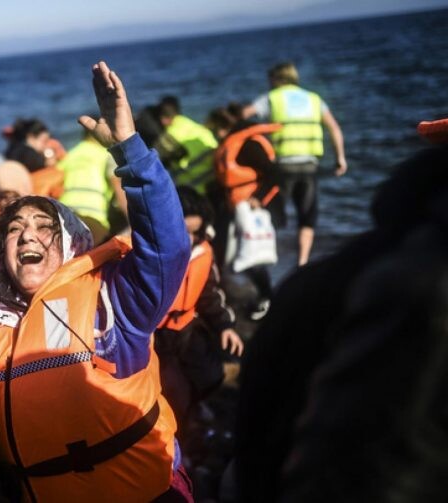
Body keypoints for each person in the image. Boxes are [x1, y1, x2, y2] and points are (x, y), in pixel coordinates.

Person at [0, 61, 193, 501]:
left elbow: (168, 248)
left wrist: (129, 148)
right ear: (0, 253)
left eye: (43, 225)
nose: (26, 233)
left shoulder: (113, 300)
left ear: (67, 243)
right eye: (12, 228)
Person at [234, 127, 448, 502]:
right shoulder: (418, 285)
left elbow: (255, 431)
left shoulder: (316, 285)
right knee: (306, 221)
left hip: (270, 478)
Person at [154, 186, 243, 447]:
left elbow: (210, 292)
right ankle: (173, 438)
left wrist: (225, 325)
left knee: (211, 375)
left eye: (197, 232)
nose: (190, 239)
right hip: (154, 334)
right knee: (170, 391)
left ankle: (193, 412)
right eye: (184, 231)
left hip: (186, 327)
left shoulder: (203, 251)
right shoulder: (149, 252)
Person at [242, 62, 347, 266]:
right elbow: (334, 127)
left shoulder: (272, 97)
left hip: (282, 167)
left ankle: (267, 257)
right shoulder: (314, 99)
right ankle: (302, 262)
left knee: (269, 214)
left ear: (276, 79)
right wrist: (340, 158)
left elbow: (244, 115)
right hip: (309, 165)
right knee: (307, 216)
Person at [209, 104, 283, 320]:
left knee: (254, 256)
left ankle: (267, 299)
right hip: (237, 208)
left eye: (216, 132)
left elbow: (275, 173)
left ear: (223, 128)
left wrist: (258, 198)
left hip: (258, 212)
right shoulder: (234, 143)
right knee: (231, 253)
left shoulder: (247, 145)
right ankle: (225, 296)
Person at [58, 129, 126, 244]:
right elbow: (119, 190)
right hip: (94, 219)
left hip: (65, 215)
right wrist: (135, 222)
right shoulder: (106, 155)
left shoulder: (71, 154)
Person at [158, 96, 220, 194]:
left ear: (163, 119)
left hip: (195, 191)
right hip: (217, 181)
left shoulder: (168, 137)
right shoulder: (197, 126)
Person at [3, 118, 66, 198]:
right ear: (31, 137)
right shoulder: (29, 155)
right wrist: (49, 155)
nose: (45, 145)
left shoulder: (13, 150)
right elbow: (49, 164)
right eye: (44, 141)